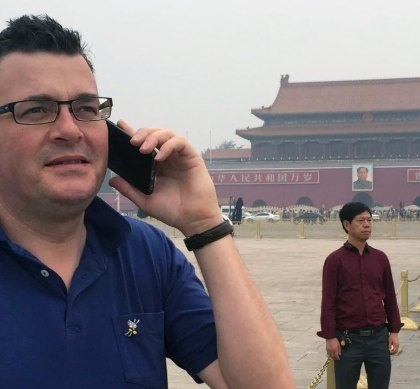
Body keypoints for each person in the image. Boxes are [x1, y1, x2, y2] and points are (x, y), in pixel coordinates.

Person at [0, 15, 294, 388]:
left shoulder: (146, 255)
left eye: (86, 109)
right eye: (37, 110)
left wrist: (205, 224)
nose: (70, 130)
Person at [318, 202, 401, 389]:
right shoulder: (335, 260)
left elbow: (389, 297)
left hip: (379, 338)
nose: (367, 225)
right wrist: (330, 337)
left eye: (369, 220)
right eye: (361, 220)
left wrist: (394, 331)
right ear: (347, 225)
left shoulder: (380, 258)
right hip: (348, 340)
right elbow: (328, 302)